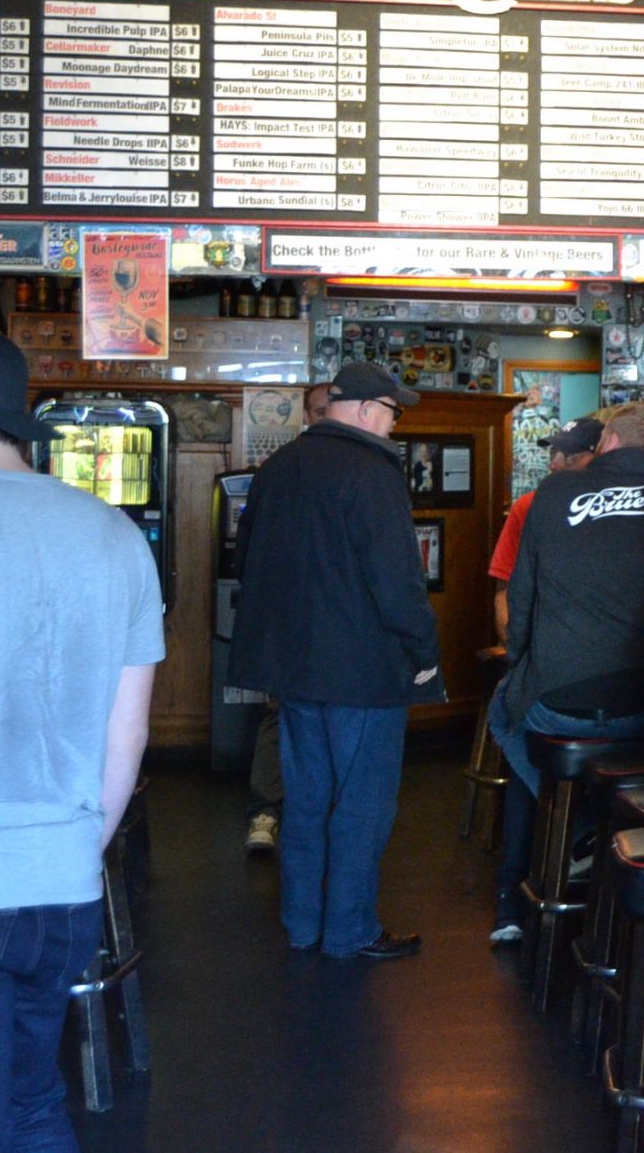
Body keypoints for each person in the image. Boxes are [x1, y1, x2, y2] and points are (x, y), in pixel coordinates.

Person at [0, 320, 160, 1148]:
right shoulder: (117, 536)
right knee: (31, 1105)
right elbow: (126, 739)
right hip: (63, 885)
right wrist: (77, 848)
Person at [229, 362, 442, 961]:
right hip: (363, 670)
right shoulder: (373, 471)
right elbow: (398, 581)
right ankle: (348, 930)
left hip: (295, 668)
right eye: (395, 415)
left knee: (306, 798)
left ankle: (303, 925)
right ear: (372, 410)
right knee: (363, 804)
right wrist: (424, 652)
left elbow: (245, 559)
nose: (395, 428)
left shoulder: (279, 467)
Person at [488, 402, 644, 943]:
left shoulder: (552, 495)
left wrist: (523, 662)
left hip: (564, 702)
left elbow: (521, 599)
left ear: (606, 442)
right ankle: (611, 848)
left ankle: (541, 867)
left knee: (508, 714)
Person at [246, 381, 331, 852]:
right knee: (280, 714)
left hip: (325, 617)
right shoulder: (282, 470)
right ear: (306, 415)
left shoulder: (346, 470)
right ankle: (266, 812)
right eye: (317, 411)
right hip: (290, 614)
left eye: (328, 410)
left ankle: (299, 818)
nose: (323, 418)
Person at [488, 415, 603, 642]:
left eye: (569, 456)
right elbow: (504, 590)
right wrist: (515, 649)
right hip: (539, 642)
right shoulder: (529, 506)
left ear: (599, 458)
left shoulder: (617, 511)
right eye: (553, 453)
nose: (554, 463)